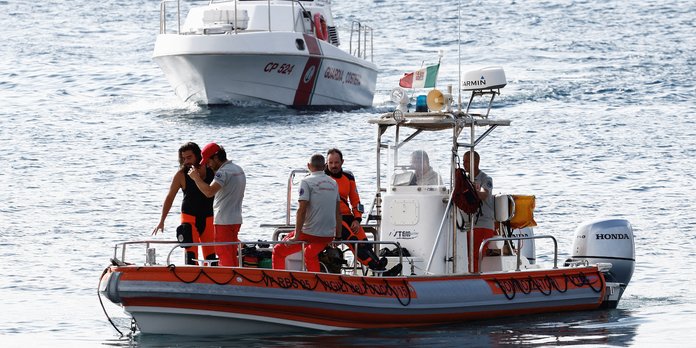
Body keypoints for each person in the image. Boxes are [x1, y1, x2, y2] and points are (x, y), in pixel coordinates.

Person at [272, 154, 341, 272]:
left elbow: (301, 209)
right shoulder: (333, 183)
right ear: (325, 166)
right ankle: (315, 283)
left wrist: (296, 235)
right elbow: (338, 212)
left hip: (310, 233)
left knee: (278, 251)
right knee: (309, 254)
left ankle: (279, 282)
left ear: (308, 166)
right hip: (328, 235)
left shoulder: (306, 181)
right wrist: (338, 237)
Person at [324, 148, 389, 272]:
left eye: (336, 162)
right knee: (353, 240)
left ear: (342, 162)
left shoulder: (348, 178)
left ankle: (379, 265)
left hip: (348, 216)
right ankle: (373, 265)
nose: (333, 166)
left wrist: (357, 219)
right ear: (326, 163)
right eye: (330, 163)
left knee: (363, 240)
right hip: (333, 218)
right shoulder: (322, 178)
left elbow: (356, 201)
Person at [153, 142, 216, 265]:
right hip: (189, 218)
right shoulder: (181, 175)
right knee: (191, 257)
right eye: (183, 158)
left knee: (211, 257)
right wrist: (162, 220)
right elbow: (170, 197)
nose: (186, 161)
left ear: (198, 156)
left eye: (189, 157)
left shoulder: (210, 171)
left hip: (208, 217)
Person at [189, 143, 246, 267]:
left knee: (224, 254)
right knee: (231, 254)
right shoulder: (238, 169)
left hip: (223, 221)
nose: (208, 165)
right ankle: (235, 280)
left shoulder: (223, 172)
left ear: (216, 158)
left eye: (208, 161)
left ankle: (227, 283)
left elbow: (209, 192)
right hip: (236, 219)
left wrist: (196, 178)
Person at [462, 150, 495, 272]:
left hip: (483, 224)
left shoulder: (485, 179)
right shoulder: (464, 180)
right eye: (463, 161)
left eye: (467, 161)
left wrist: (470, 191)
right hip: (468, 225)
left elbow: (484, 194)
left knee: (475, 255)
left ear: (476, 162)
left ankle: (474, 277)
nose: (464, 164)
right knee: (466, 254)